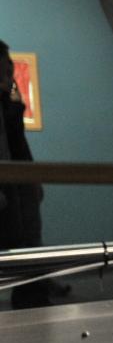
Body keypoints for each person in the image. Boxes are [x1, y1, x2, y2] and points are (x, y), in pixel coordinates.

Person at [0, 39, 49, 308]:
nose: (9, 75)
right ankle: (32, 291)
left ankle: (35, 288)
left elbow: (17, 148)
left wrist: (31, 182)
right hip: (9, 191)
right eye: (4, 69)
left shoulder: (7, 105)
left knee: (27, 240)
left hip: (18, 188)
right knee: (19, 243)